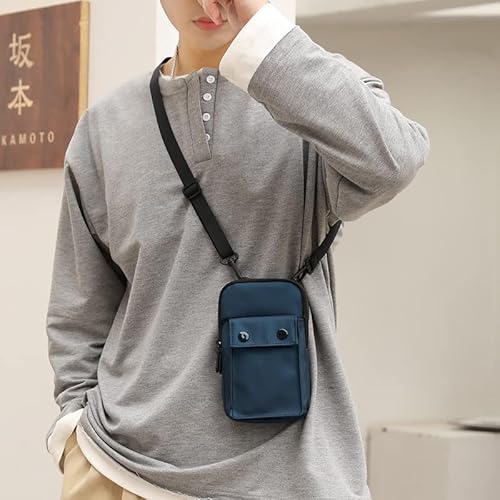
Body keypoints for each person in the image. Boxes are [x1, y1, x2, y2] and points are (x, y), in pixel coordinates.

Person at [45, 0, 431, 499]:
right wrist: (74, 429)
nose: (209, 2)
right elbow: (80, 307)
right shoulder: (105, 127)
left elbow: (394, 161)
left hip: (292, 480)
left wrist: (265, 37)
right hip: (119, 468)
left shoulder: (317, 95)